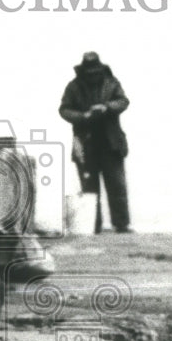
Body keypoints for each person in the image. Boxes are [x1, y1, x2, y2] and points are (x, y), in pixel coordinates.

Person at [59, 51, 132, 233]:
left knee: (117, 186)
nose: (93, 76)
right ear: (83, 71)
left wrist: (106, 108)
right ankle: (93, 226)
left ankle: (121, 225)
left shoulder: (112, 83)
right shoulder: (73, 87)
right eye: (89, 73)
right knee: (90, 190)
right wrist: (84, 116)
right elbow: (64, 110)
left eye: (95, 72)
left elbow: (123, 101)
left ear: (100, 70)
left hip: (112, 145)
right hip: (85, 146)